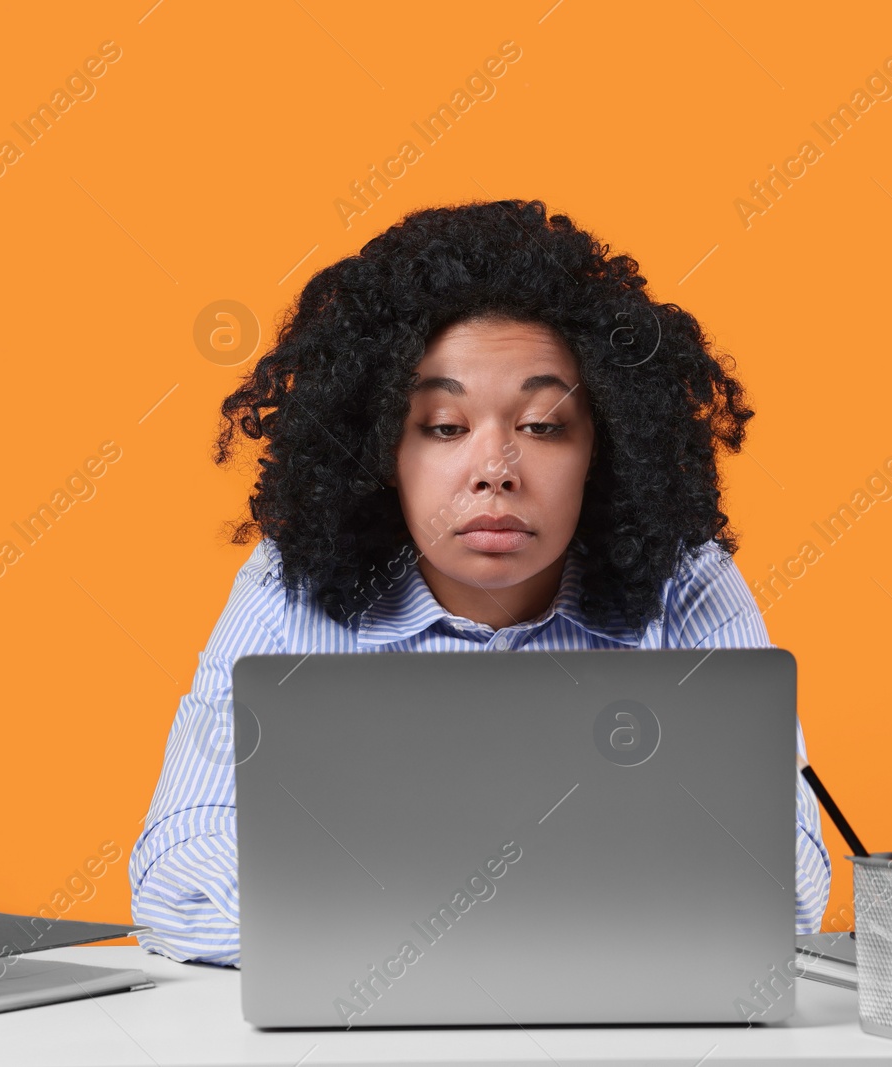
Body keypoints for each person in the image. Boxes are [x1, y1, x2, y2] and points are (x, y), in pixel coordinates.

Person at [129, 199, 830, 965]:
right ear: (379, 448)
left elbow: (782, 883)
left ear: (604, 446)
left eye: (542, 425)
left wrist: (378, 920)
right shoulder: (287, 589)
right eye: (443, 426)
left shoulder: (688, 588)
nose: (495, 469)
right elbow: (177, 880)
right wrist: (510, 928)